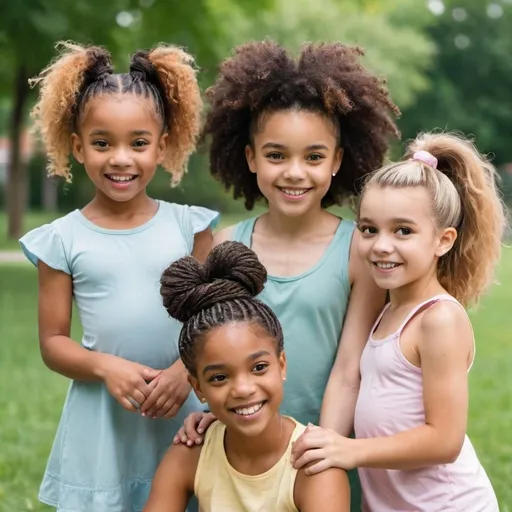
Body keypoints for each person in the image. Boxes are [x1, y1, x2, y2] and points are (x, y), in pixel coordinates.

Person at [174, 39, 399, 510]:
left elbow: (348, 367)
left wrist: (325, 449)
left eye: (313, 157)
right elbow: (208, 347)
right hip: (235, 453)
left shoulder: (358, 250)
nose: (294, 172)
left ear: (337, 162)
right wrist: (202, 412)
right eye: (277, 156)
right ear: (251, 156)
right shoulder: (225, 245)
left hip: (315, 458)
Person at [19, 41, 218, 511]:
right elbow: (53, 343)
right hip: (105, 419)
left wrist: (185, 371)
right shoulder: (60, 240)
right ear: (77, 147)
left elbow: (217, 321)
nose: (121, 159)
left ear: (163, 145)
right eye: (102, 143)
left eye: (139, 143)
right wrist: (106, 367)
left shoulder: (190, 227)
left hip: (184, 408)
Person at [291, 132, 505, 511]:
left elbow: (444, 440)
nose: (381, 245)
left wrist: (351, 450)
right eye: (369, 229)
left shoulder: (438, 319)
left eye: (403, 231)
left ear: (444, 240)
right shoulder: (388, 310)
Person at [144, 241, 350, 512]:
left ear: (282, 365)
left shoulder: (314, 467)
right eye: (219, 378)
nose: (242, 388)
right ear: (198, 388)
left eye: (258, 368)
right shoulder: (191, 453)